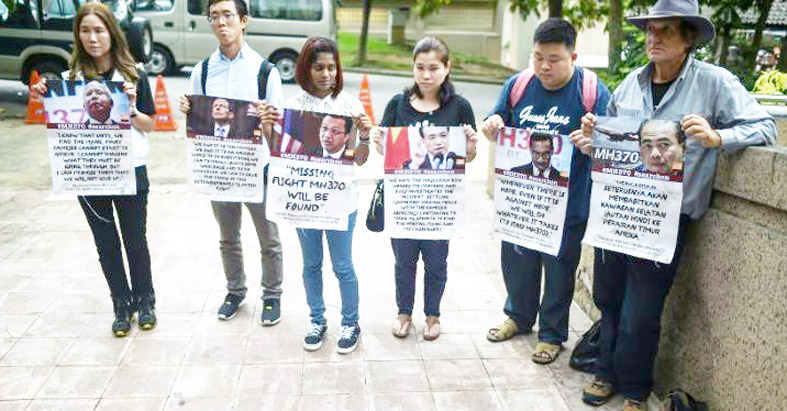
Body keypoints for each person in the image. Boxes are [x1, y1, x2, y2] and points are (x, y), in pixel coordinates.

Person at [573, 0, 775, 409]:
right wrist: (592, 138)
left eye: (665, 30)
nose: (653, 38)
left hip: (666, 219)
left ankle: (634, 390)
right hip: (618, 212)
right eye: (650, 30)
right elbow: (613, 145)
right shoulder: (630, 83)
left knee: (642, 311)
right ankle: (605, 372)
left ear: (688, 38)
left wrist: (718, 137)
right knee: (607, 299)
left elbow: (765, 126)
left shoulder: (714, 82)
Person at [481, 18, 611, 365]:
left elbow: (612, 144)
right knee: (517, 263)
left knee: (559, 272)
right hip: (522, 200)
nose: (544, 66)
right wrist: (492, 126)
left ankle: (552, 334)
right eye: (538, 57)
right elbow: (495, 123)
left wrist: (593, 140)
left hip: (569, 204)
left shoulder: (592, 91)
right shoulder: (518, 85)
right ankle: (518, 317)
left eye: (554, 59)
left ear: (573, 57)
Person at [32, 1, 157, 336]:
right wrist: (45, 97)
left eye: (99, 30)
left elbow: (151, 124)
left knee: (135, 240)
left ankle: (145, 301)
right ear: (78, 36)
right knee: (106, 244)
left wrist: (131, 108)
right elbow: (60, 126)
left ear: (112, 34)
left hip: (130, 170)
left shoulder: (133, 76)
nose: (93, 38)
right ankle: (121, 305)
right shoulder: (68, 81)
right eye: (85, 31)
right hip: (88, 174)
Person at [178, 0, 284, 324]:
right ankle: (235, 291)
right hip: (220, 169)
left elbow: (278, 136)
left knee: (269, 239)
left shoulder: (265, 72)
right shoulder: (202, 71)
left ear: (244, 20)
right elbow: (199, 126)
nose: (221, 22)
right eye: (214, 16)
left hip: (257, 167)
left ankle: (272, 296)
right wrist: (190, 112)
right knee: (228, 238)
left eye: (228, 15)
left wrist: (267, 121)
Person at [263, 36, 370, 353]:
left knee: (343, 265)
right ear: (305, 69)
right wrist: (268, 128)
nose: (326, 74)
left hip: (341, 202)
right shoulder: (293, 106)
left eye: (332, 67)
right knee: (311, 264)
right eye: (319, 67)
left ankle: (350, 323)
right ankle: (317, 319)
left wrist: (364, 135)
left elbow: (360, 159)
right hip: (305, 202)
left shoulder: (351, 106)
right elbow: (281, 156)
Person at [372, 36, 478, 341]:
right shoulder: (398, 104)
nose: (426, 75)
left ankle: (433, 315)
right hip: (404, 202)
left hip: (439, 206)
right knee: (404, 262)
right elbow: (386, 153)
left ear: (447, 67)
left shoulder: (460, 107)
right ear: (413, 68)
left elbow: (468, 157)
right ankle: (403, 312)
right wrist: (379, 142)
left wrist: (471, 146)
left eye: (433, 68)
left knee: (436, 263)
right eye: (420, 67)